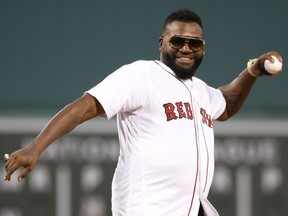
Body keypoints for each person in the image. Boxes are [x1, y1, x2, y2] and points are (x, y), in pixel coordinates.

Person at [3, 8, 283, 216]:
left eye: (194, 43)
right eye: (177, 41)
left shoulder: (200, 90)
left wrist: (253, 71)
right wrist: (36, 147)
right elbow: (84, 106)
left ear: (203, 49)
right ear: (161, 42)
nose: (186, 47)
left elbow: (227, 103)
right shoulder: (141, 75)